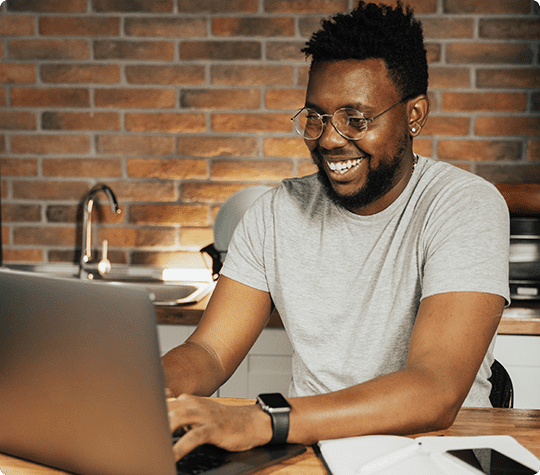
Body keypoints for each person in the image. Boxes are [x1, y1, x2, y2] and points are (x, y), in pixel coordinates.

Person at [163, 0, 509, 461]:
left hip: (434, 455)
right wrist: (142, 390)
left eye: (355, 119)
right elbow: (208, 350)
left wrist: (265, 420)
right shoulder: (274, 213)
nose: (328, 139)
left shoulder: (463, 205)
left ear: (414, 115)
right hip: (308, 450)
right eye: (317, 117)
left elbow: (435, 389)